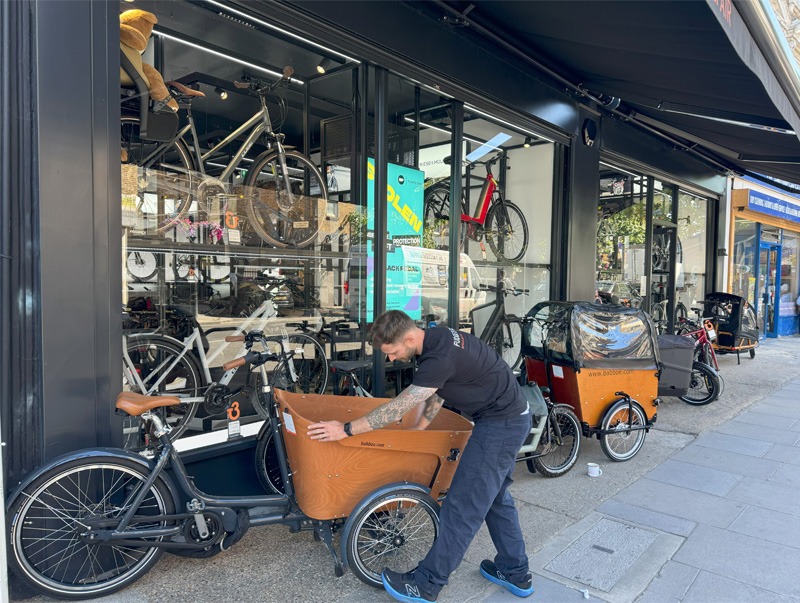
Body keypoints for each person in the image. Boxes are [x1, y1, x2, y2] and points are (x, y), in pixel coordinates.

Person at [307, 310, 533, 602]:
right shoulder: (437, 339)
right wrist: (418, 431)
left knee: (463, 506)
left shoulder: (438, 357)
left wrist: (346, 429)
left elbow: (397, 408)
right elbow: (438, 390)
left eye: (393, 351)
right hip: (508, 418)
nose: (390, 359)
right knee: (495, 499)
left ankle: (426, 584)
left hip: (500, 424)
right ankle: (515, 571)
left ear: (410, 337)